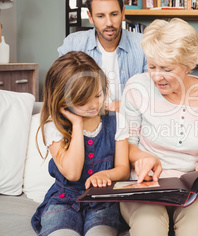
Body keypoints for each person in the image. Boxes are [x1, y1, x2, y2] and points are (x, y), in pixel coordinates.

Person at [116, 18, 198, 236]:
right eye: (152, 66)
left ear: (187, 65)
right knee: (149, 229)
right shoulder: (137, 88)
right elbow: (126, 144)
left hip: (191, 186)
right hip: (144, 184)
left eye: (166, 68)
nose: (157, 76)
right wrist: (142, 158)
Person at [31, 51, 130, 236]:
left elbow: (123, 168)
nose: (94, 105)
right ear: (63, 100)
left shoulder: (117, 121)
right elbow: (73, 173)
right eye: (83, 102)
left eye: (98, 95)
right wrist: (77, 124)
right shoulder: (54, 126)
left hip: (103, 201)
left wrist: (105, 174)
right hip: (63, 201)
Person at [58, 0, 147, 112]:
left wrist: (127, 104)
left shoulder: (144, 44)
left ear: (123, 13)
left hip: (131, 119)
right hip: (86, 119)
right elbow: (61, 90)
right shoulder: (72, 44)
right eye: (100, 16)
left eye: (114, 14)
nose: (109, 22)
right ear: (90, 16)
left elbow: (154, 91)